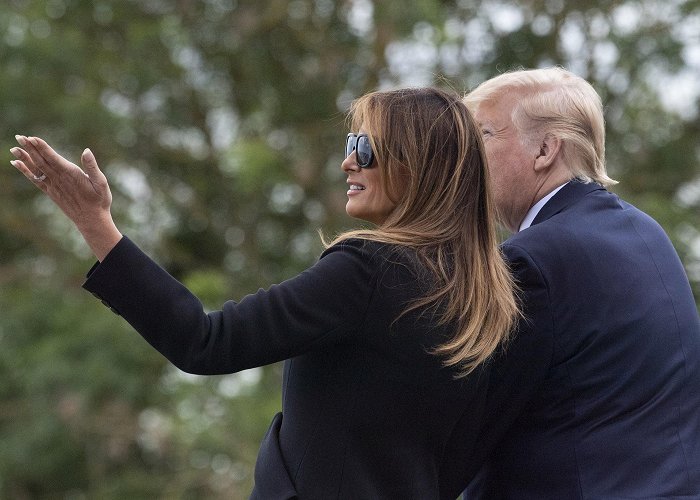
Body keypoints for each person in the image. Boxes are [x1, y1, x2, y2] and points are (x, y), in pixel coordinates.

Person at [11, 87, 519, 498]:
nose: (348, 163)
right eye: (349, 147)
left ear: (417, 165)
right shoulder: (487, 300)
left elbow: (206, 341)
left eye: (363, 149)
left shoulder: (368, 272)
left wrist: (95, 223)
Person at [461, 67, 700, 498]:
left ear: (545, 150)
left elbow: (466, 426)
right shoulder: (647, 232)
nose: (466, 158)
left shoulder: (532, 261)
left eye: (483, 135)